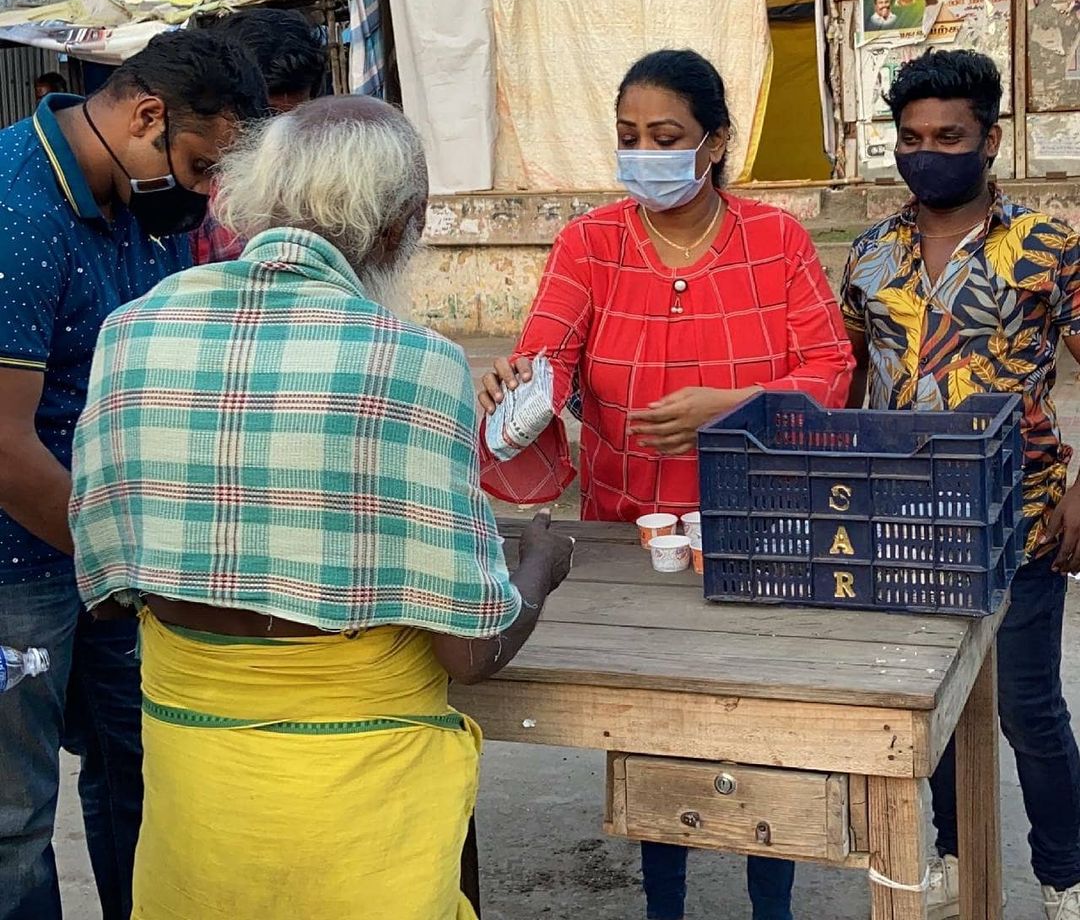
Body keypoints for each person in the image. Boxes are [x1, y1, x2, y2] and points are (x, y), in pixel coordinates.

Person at [69, 94, 574, 920]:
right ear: (398, 229)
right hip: (358, 820)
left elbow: (107, 575)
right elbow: (470, 653)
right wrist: (539, 571)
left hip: (195, 799)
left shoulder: (132, 331)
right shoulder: (411, 364)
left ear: (256, 194)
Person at [478, 49, 853, 920]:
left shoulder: (777, 241)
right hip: (630, 537)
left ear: (715, 142)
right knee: (653, 732)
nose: (646, 152)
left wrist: (734, 406)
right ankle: (664, 903)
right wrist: (519, 387)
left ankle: (773, 902)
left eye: (667, 136)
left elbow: (831, 367)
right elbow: (550, 357)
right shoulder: (590, 243)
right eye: (629, 138)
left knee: (763, 727)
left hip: (757, 527)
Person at [0, 30, 266, 920]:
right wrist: (117, 560)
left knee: (143, 778)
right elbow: (4, 447)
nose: (203, 196)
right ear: (146, 115)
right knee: (11, 824)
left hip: (109, 557)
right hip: (20, 567)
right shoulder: (16, 206)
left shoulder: (141, 207)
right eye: (198, 167)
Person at [840, 49, 1080, 920]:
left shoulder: (1047, 247)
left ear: (991, 139)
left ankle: (1065, 874)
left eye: (948, 135)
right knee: (925, 708)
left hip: (1024, 517)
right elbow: (850, 380)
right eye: (910, 137)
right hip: (905, 521)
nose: (927, 151)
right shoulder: (871, 254)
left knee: (1026, 710)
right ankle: (943, 856)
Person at [190, 7, 327, 265]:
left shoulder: (327, 181)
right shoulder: (188, 192)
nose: (274, 140)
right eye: (259, 122)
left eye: (291, 120)